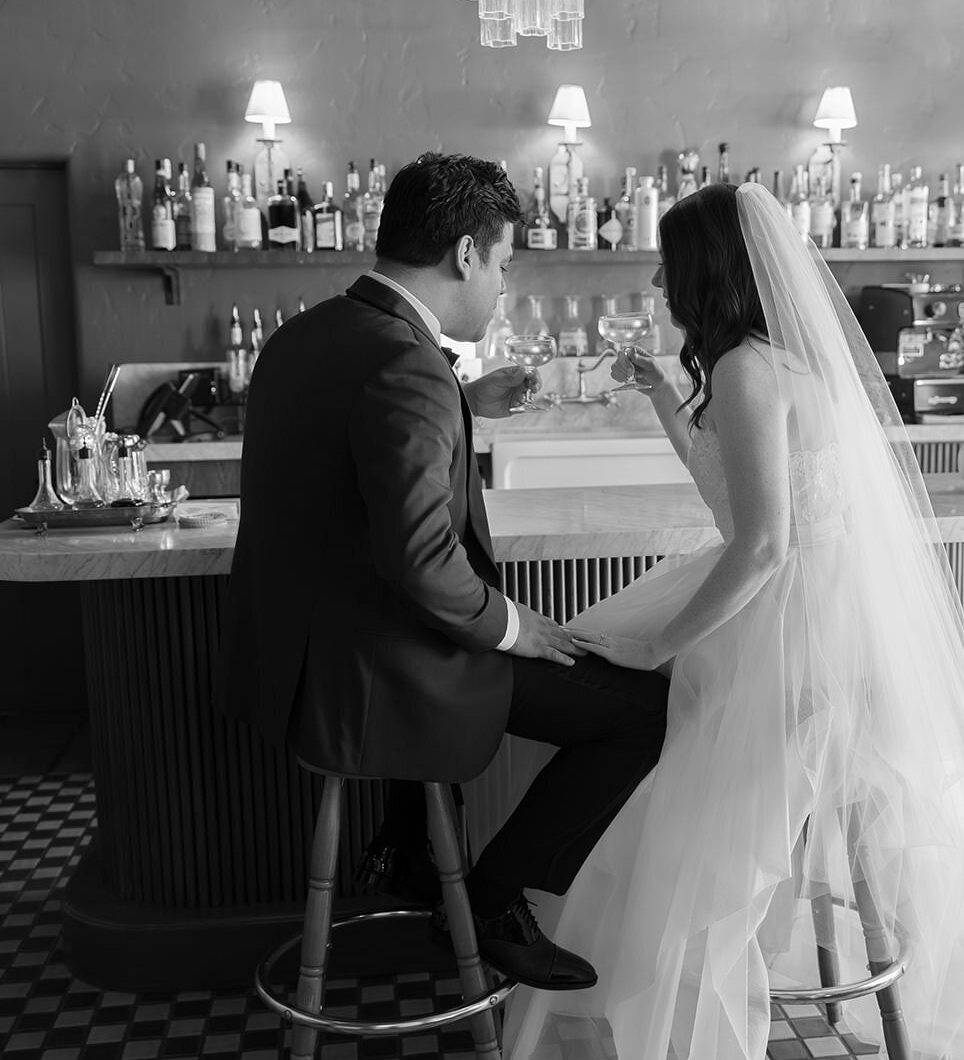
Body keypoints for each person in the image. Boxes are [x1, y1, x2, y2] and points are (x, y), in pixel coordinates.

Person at [503, 181, 964, 1060]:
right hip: (812, 615)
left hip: (796, 633)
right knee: (643, 738)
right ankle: (603, 973)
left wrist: (662, 643)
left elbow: (759, 550)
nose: (660, 282)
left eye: (668, 266)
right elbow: (732, 499)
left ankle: (660, 1027)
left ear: (702, 274)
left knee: (671, 781)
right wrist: (660, 400)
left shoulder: (744, 367)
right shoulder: (756, 363)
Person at [217, 152, 669, 992]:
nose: (500, 287)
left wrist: (463, 398)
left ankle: (411, 846)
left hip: (292, 665)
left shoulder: (305, 335)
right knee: (643, 712)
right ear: (464, 253)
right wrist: (512, 624)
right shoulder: (409, 367)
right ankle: (491, 900)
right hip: (377, 679)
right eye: (501, 264)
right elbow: (422, 562)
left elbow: (352, 438)